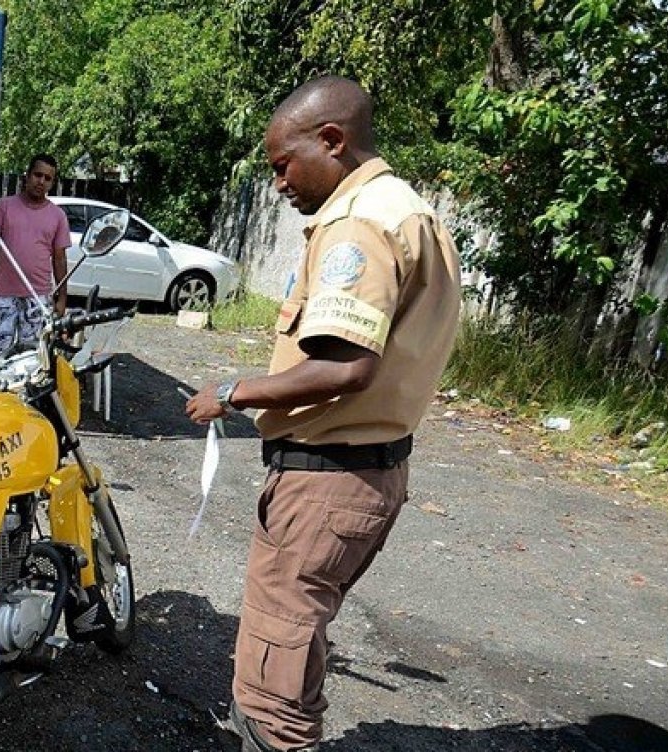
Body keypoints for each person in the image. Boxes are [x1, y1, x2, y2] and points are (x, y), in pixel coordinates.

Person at [184, 76, 461, 752]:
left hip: (328, 481)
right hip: (364, 471)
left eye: (283, 164)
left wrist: (232, 392)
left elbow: (344, 365)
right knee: (297, 636)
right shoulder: (405, 208)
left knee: (271, 685)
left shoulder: (358, 222)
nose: (278, 183)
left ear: (332, 140)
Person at [0, 154, 71, 359]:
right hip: (4, 296)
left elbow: (59, 259)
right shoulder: (4, 206)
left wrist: (62, 298)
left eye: (48, 178)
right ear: (27, 176)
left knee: (33, 358)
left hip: (38, 297)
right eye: (38, 175)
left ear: (52, 183)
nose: (41, 181)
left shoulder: (58, 216)